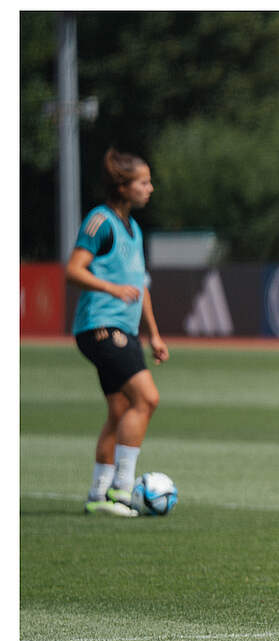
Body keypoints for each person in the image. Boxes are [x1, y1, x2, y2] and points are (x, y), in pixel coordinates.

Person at [66, 148, 168, 517]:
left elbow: (139, 285)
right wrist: (110, 289)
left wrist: (154, 334)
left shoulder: (134, 229)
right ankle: (121, 492)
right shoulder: (100, 220)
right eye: (143, 182)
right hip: (100, 327)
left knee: (120, 409)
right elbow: (73, 270)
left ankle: (98, 493)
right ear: (123, 187)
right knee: (148, 398)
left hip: (123, 328)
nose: (150, 188)